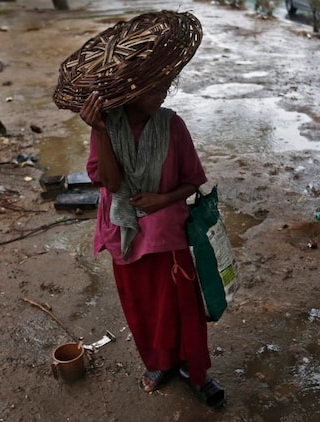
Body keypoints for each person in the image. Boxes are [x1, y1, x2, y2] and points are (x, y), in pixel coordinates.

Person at [79, 79, 225, 408]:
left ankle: (195, 371)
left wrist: (162, 199)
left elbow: (193, 182)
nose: (162, 95)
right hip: (123, 232)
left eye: (164, 88)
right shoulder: (107, 126)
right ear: (129, 91)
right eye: (153, 88)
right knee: (143, 308)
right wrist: (101, 131)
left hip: (167, 234)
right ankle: (162, 363)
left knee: (183, 307)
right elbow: (112, 183)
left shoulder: (172, 125)